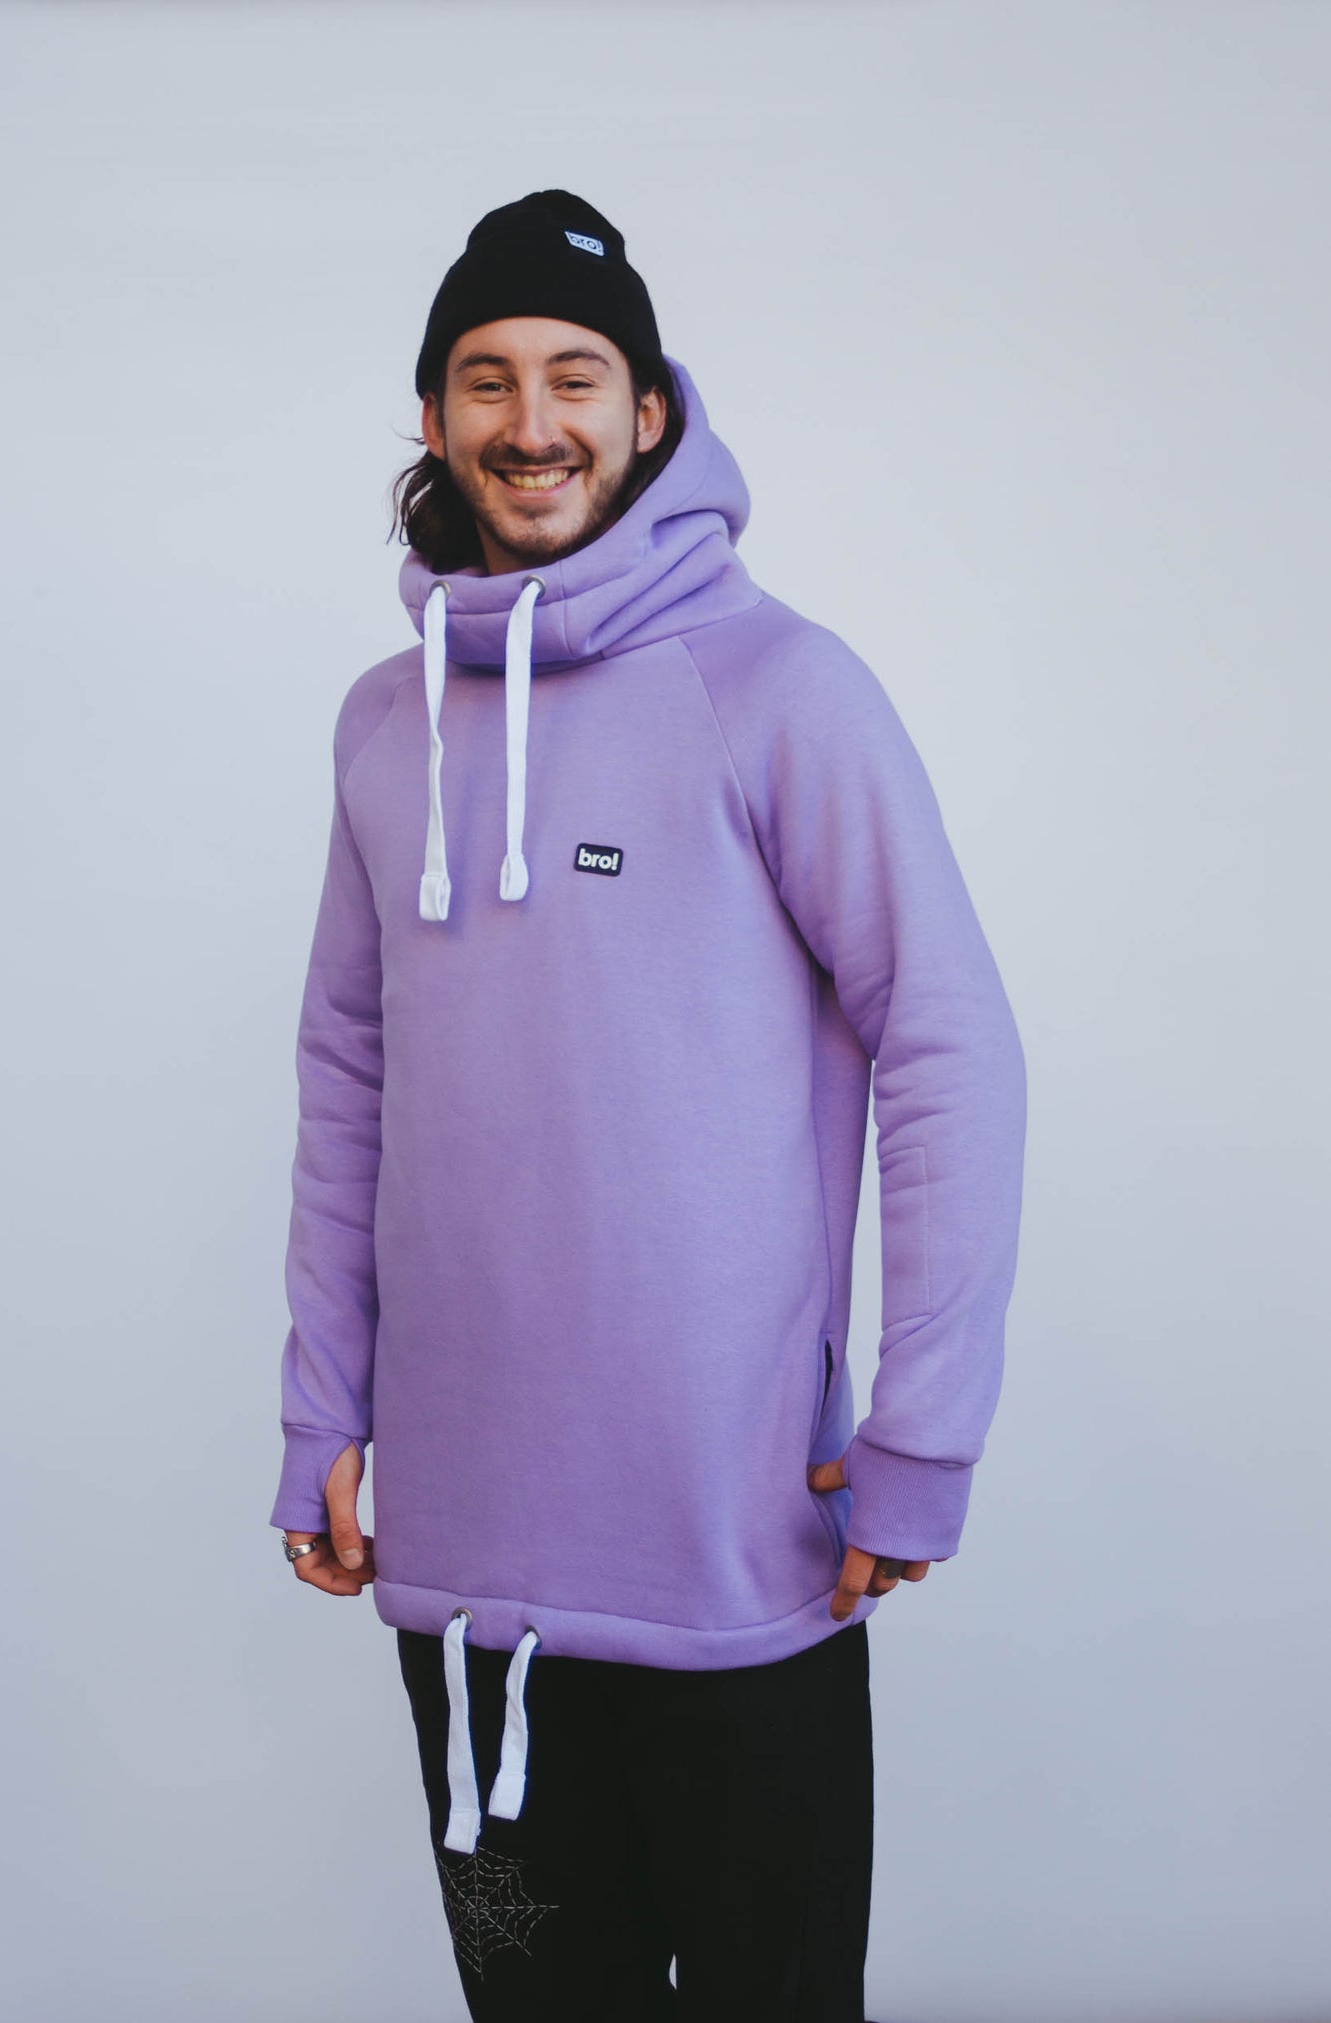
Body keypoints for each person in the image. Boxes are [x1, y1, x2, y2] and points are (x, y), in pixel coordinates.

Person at [268, 189, 1027, 2022]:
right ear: (434, 416)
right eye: (486, 379)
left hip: (737, 1546)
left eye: (575, 377)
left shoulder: (778, 689)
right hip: (466, 1574)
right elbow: (349, 1073)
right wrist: (319, 1410)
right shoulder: (381, 723)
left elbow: (947, 1043)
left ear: (650, 412)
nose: (532, 421)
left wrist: (923, 1434)